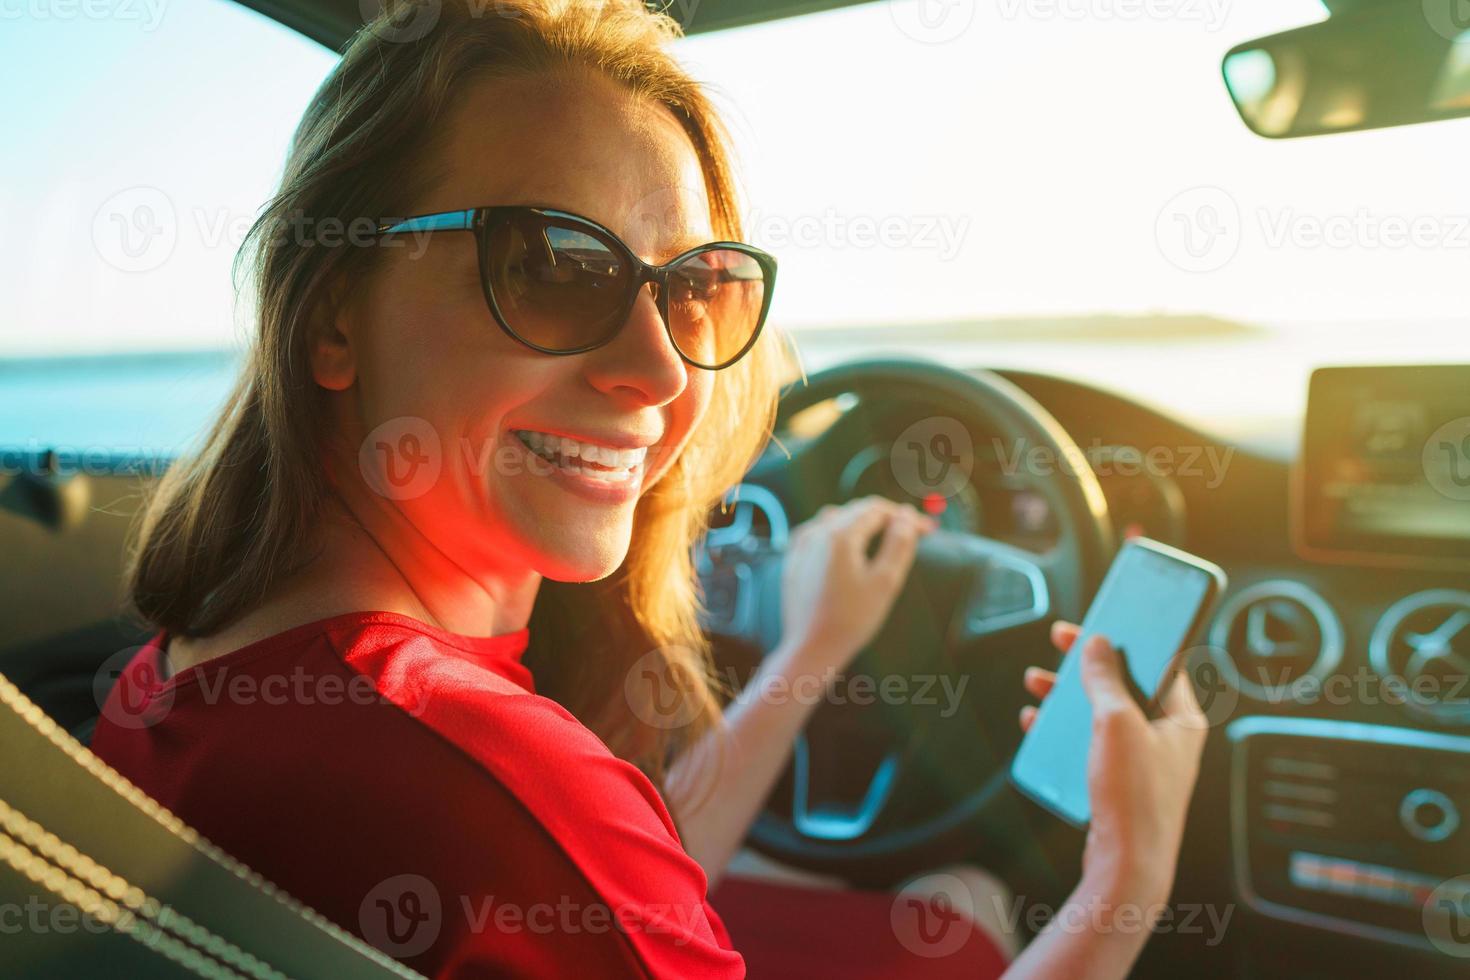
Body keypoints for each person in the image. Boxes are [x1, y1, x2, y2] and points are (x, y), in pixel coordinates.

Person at [92, 2, 1206, 976]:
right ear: (334, 311)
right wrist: (1126, 885)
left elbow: (599, 865)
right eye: (554, 266)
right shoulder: (501, 785)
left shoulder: (178, 670)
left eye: (695, 289)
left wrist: (815, 646)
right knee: (965, 908)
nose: (665, 369)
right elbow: (559, 838)